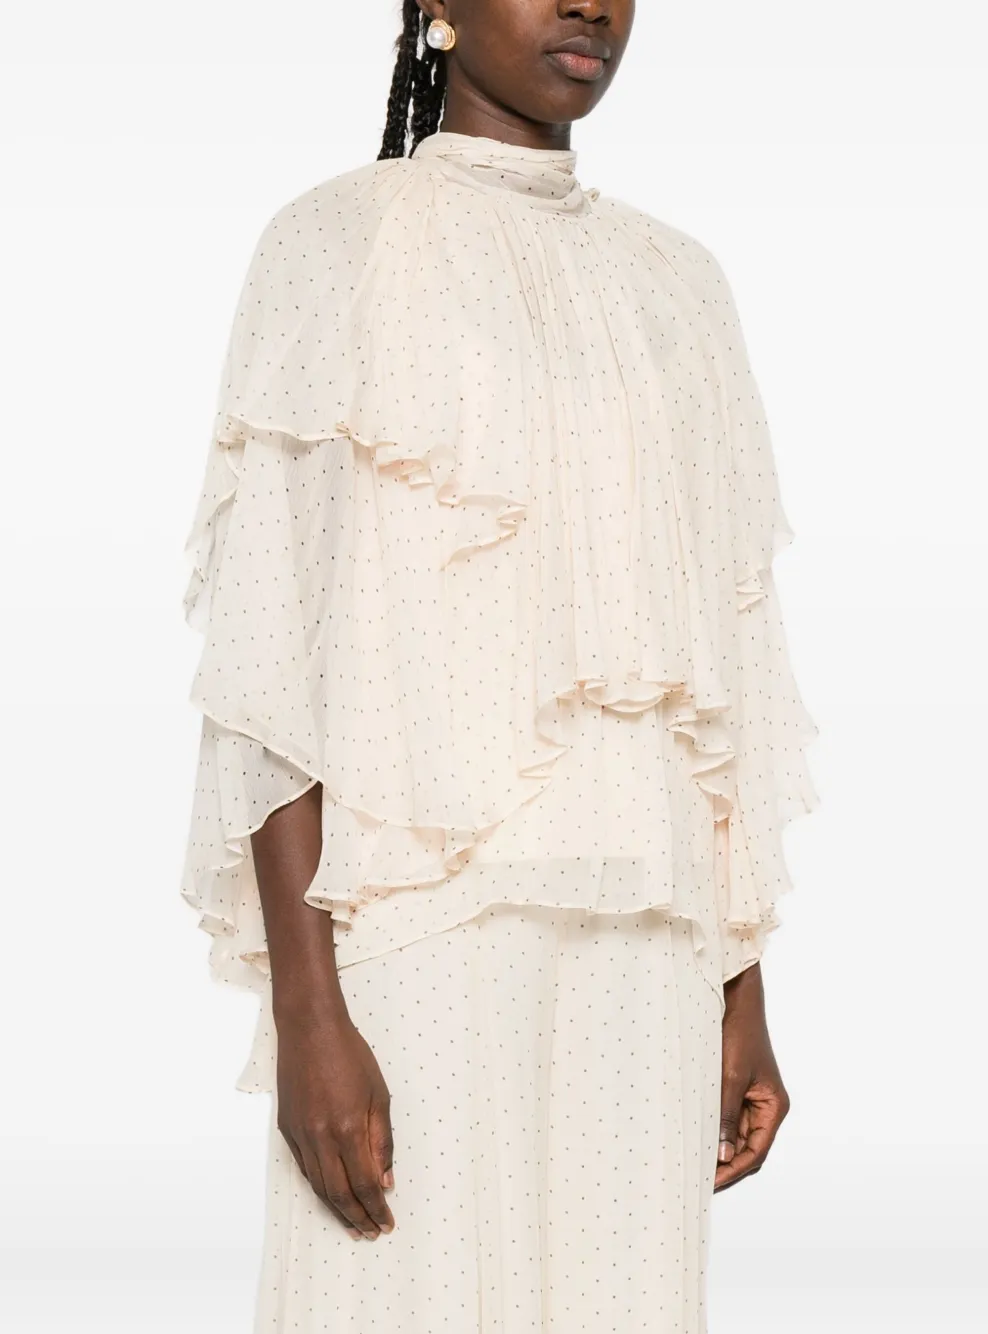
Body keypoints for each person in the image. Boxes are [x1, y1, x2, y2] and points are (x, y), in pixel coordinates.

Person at [180, 2, 818, 1330]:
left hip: (650, 927)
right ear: (435, 7)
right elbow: (269, 648)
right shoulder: (336, 242)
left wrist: (741, 986)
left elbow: (724, 662)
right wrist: (308, 1012)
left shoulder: (680, 283)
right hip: (419, 921)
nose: (589, 5)